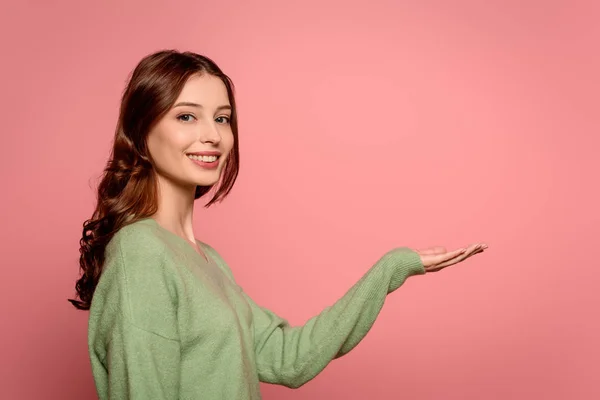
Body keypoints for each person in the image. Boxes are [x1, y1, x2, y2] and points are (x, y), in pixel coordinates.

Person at [69, 49, 487, 399]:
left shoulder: (207, 260)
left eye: (222, 117)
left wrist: (392, 268)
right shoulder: (141, 252)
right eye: (186, 117)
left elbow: (287, 358)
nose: (213, 135)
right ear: (142, 133)